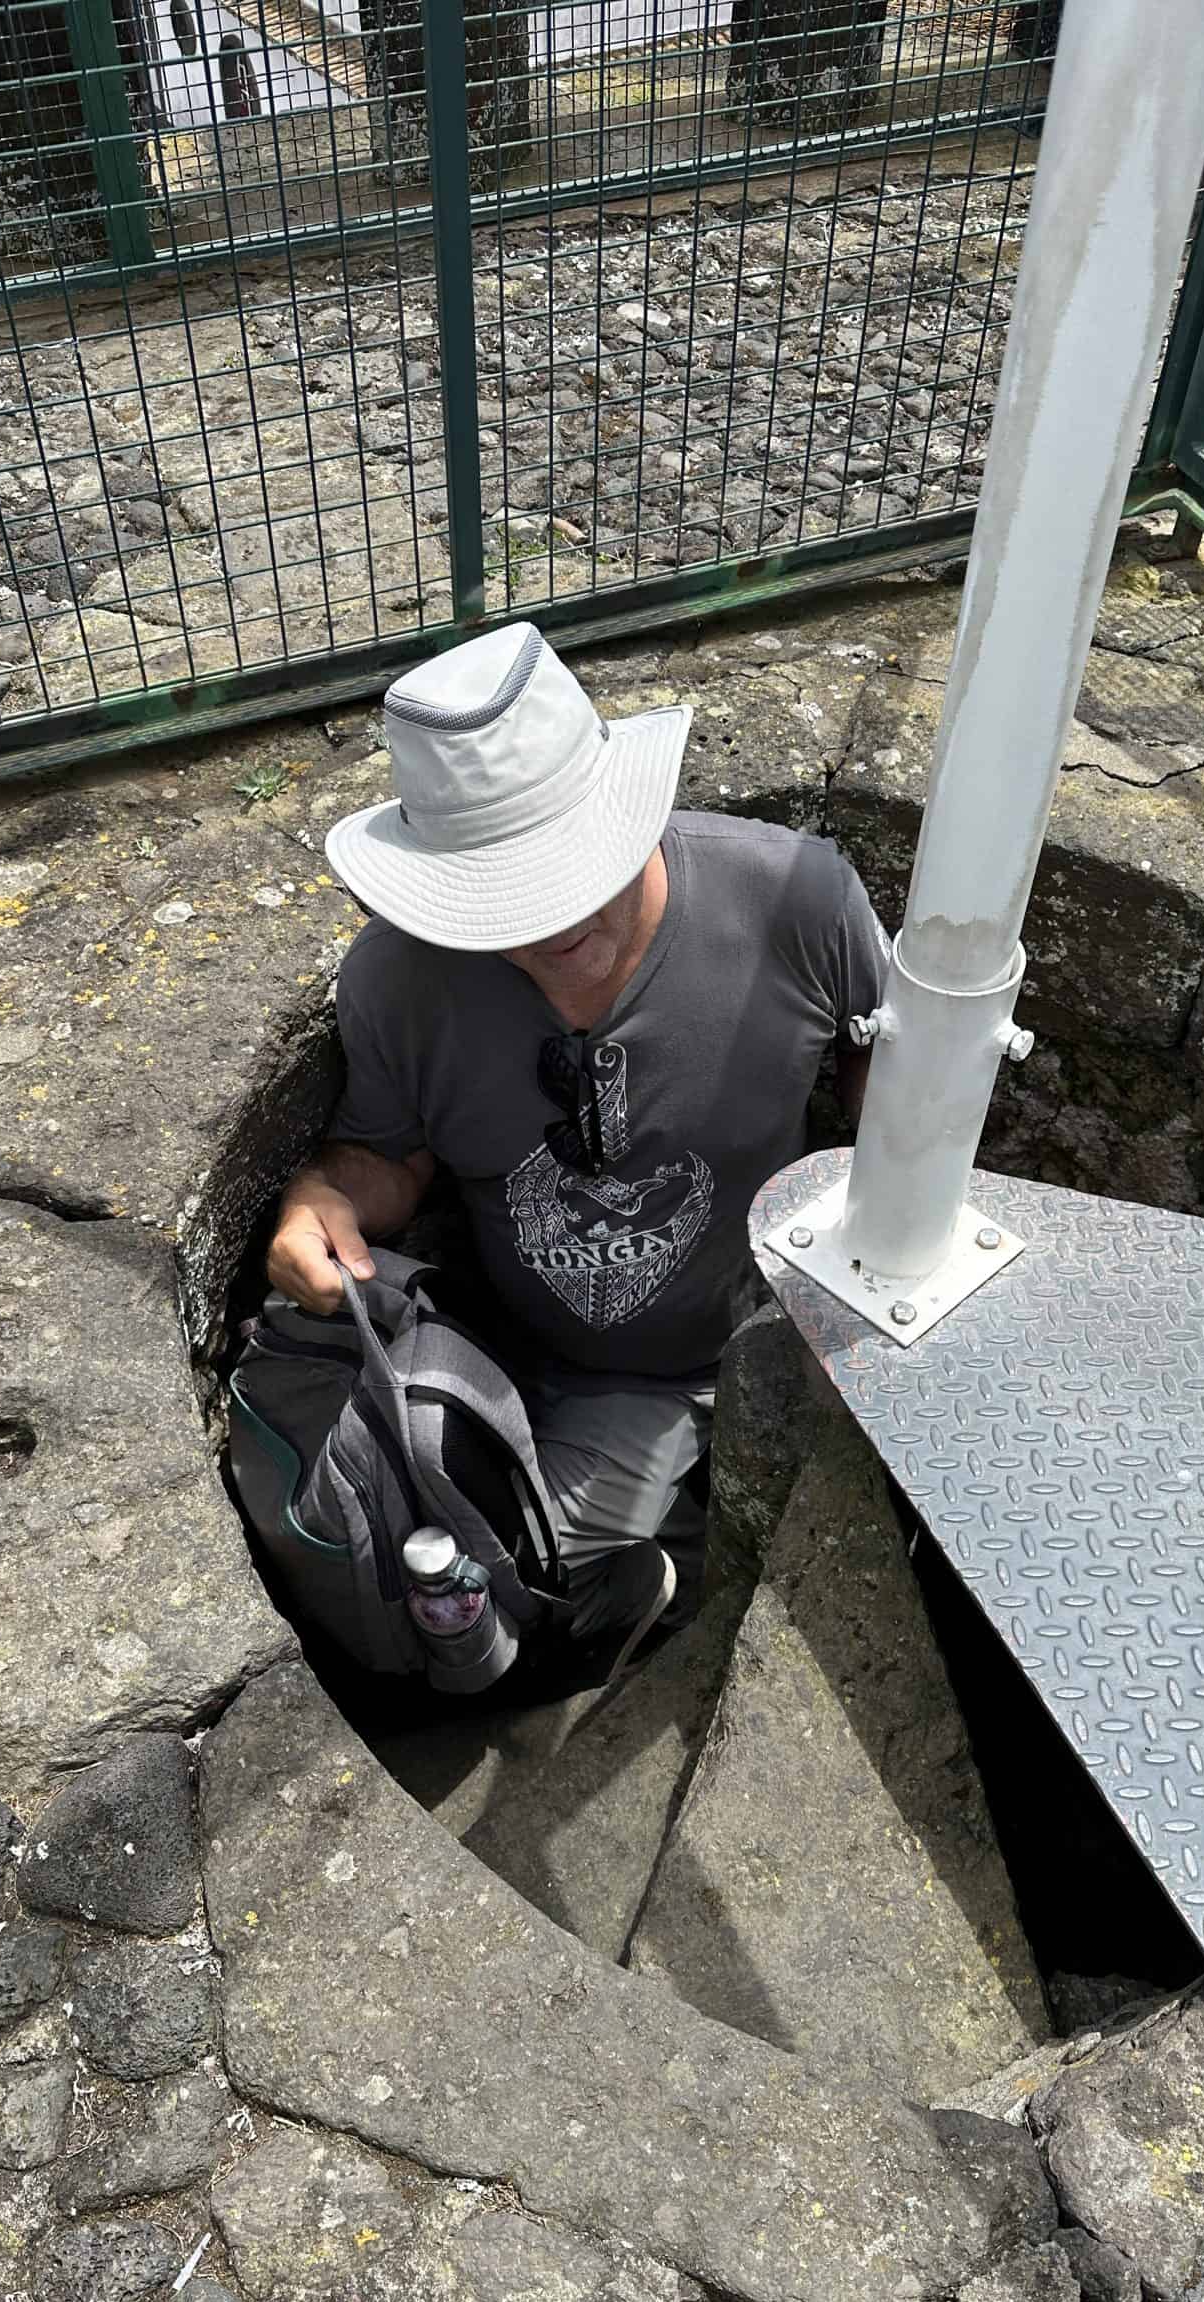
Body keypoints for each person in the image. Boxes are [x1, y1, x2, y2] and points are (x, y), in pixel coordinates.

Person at [267, 621, 887, 1662]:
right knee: (455, 1610)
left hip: (755, 1332)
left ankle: (655, 1566)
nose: (555, 927)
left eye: (572, 871)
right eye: (501, 898)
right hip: (529, 1362)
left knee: (535, 1604)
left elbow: (893, 1082)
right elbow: (389, 1156)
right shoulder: (399, 979)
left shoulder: (796, 901)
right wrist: (315, 1201)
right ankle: (647, 1575)